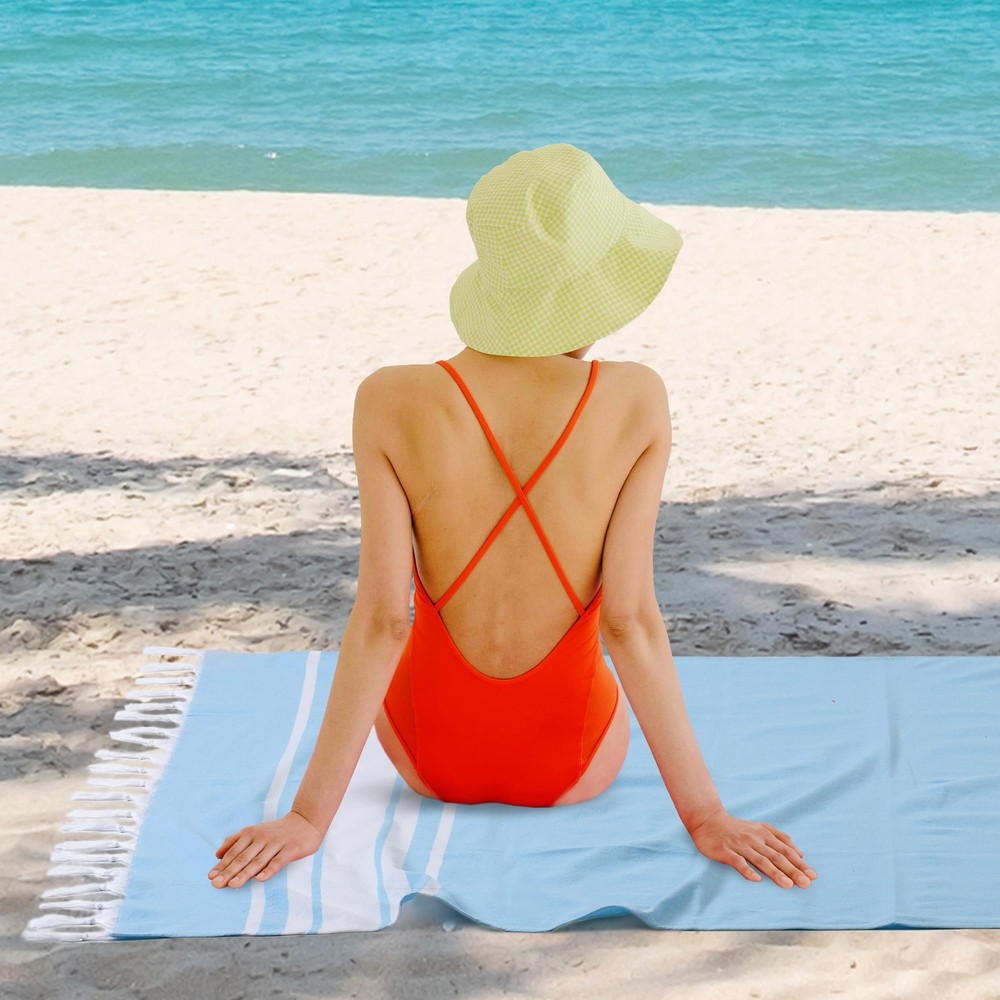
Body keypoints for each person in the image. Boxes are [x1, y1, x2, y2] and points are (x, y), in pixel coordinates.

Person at [207, 143, 817, 894]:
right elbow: (629, 621)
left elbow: (382, 622)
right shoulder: (635, 398)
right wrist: (707, 818)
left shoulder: (390, 397)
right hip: (574, 767)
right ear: (593, 293)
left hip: (426, 759)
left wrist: (307, 819)